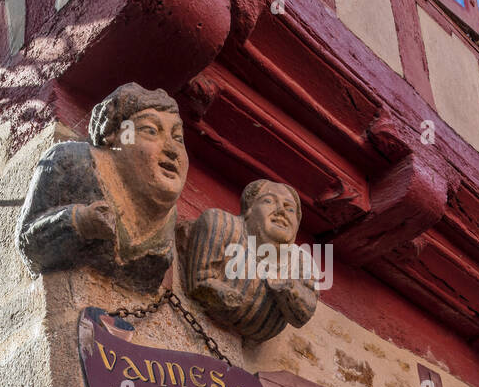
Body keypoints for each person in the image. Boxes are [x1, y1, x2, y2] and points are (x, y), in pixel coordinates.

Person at [17, 83, 187, 293]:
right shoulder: (71, 161)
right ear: (112, 135)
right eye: (150, 130)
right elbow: (30, 243)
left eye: (178, 138)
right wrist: (80, 221)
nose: (172, 149)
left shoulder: (168, 215)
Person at [185, 180, 318, 342]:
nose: (281, 211)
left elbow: (304, 313)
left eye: (290, 209)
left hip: (260, 330)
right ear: (248, 209)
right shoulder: (222, 225)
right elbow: (201, 281)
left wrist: (288, 287)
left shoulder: (302, 261)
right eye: (269, 201)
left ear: (297, 226)